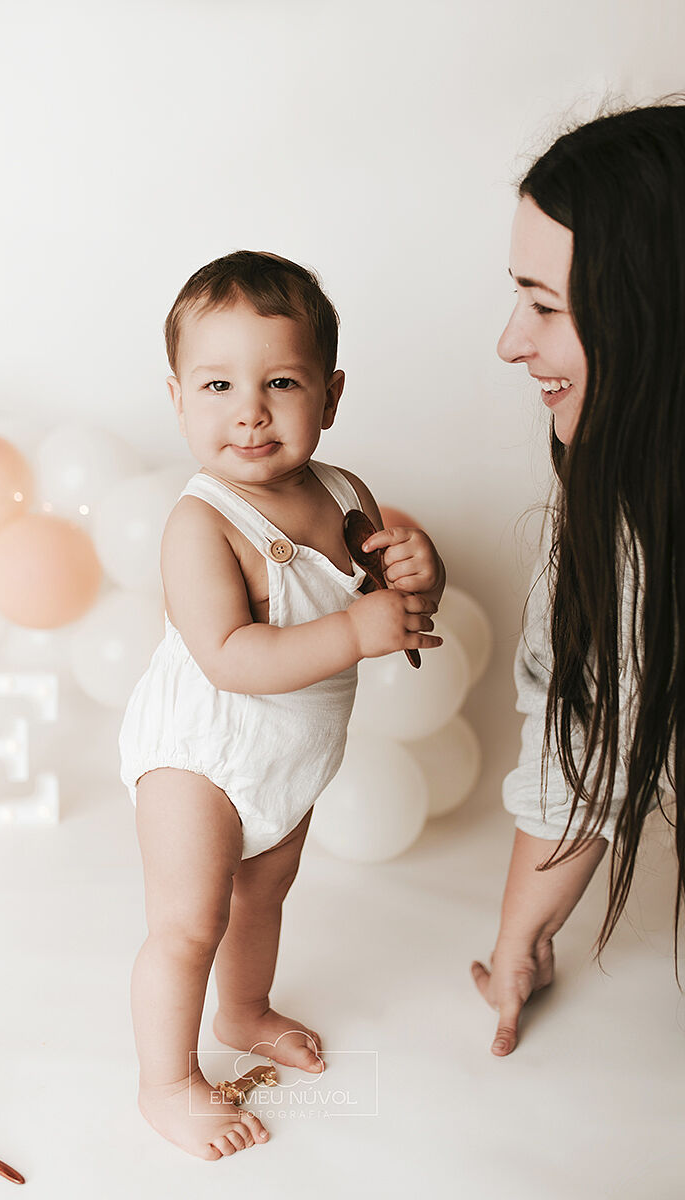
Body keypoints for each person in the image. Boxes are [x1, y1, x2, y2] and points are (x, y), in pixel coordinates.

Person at [120, 251, 445, 1159]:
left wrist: (416, 578)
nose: (249, 409)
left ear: (331, 396)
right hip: (201, 751)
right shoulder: (203, 521)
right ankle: (167, 1083)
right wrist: (357, 633)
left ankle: (247, 1008)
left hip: (290, 754)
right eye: (218, 383)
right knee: (190, 922)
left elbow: (382, 590)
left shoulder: (343, 493)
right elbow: (227, 656)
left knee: (264, 895)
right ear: (179, 399)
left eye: (281, 381)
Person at [472, 101, 685, 1056]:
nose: (511, 342)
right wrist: (526, 933)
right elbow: (591, 722)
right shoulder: (612, 503)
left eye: (548, 307)